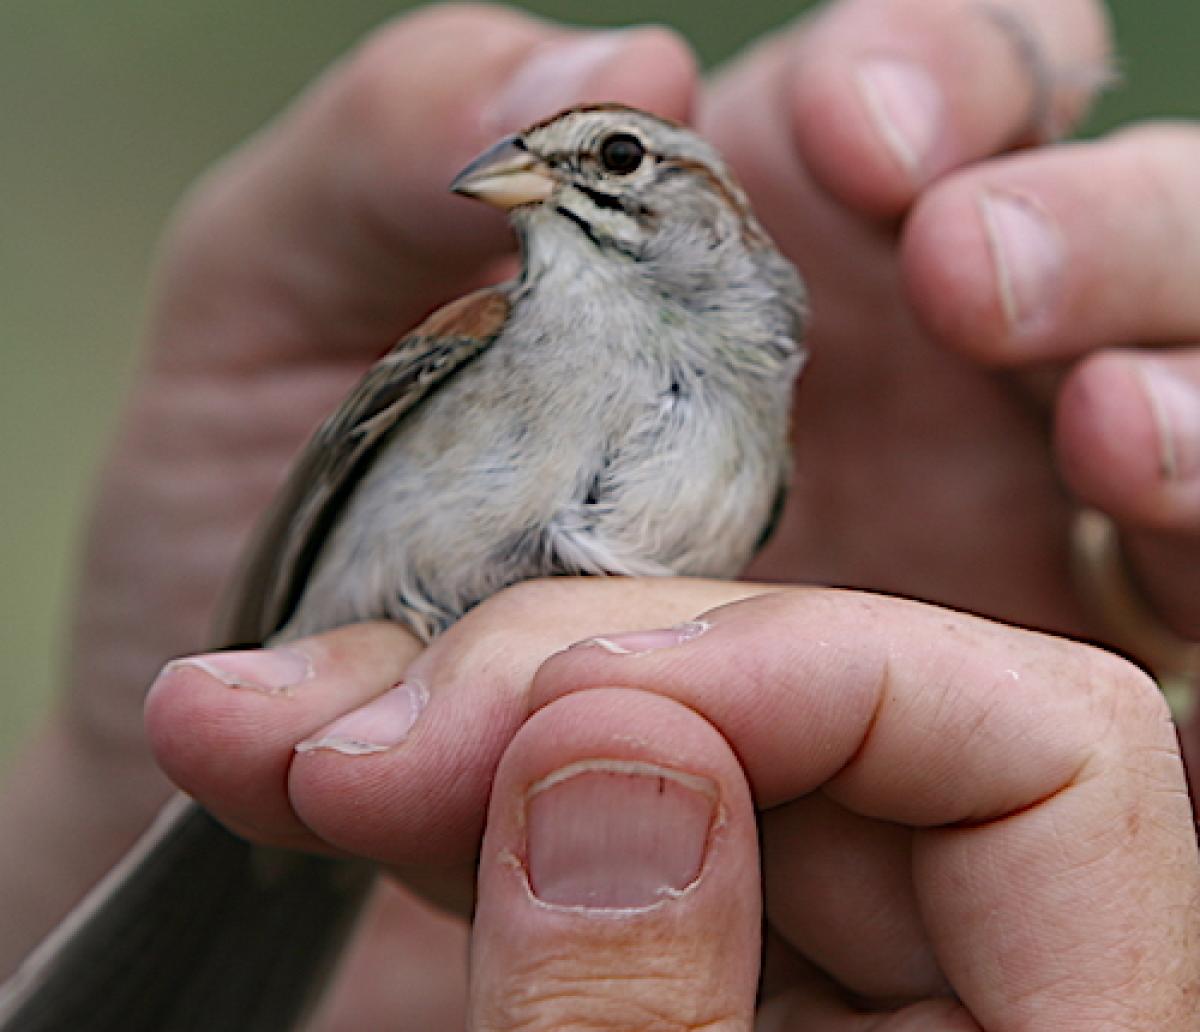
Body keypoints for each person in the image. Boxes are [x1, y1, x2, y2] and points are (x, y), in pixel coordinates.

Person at [2, 0, 1197, 1026]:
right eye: (539, 164)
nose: (542, 181)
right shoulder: (484, 330)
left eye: (613, 158)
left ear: (716, 213)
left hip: (492, 801)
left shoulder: (768, 436)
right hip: (338, 684)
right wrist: (205, 694)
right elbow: (321, 494)